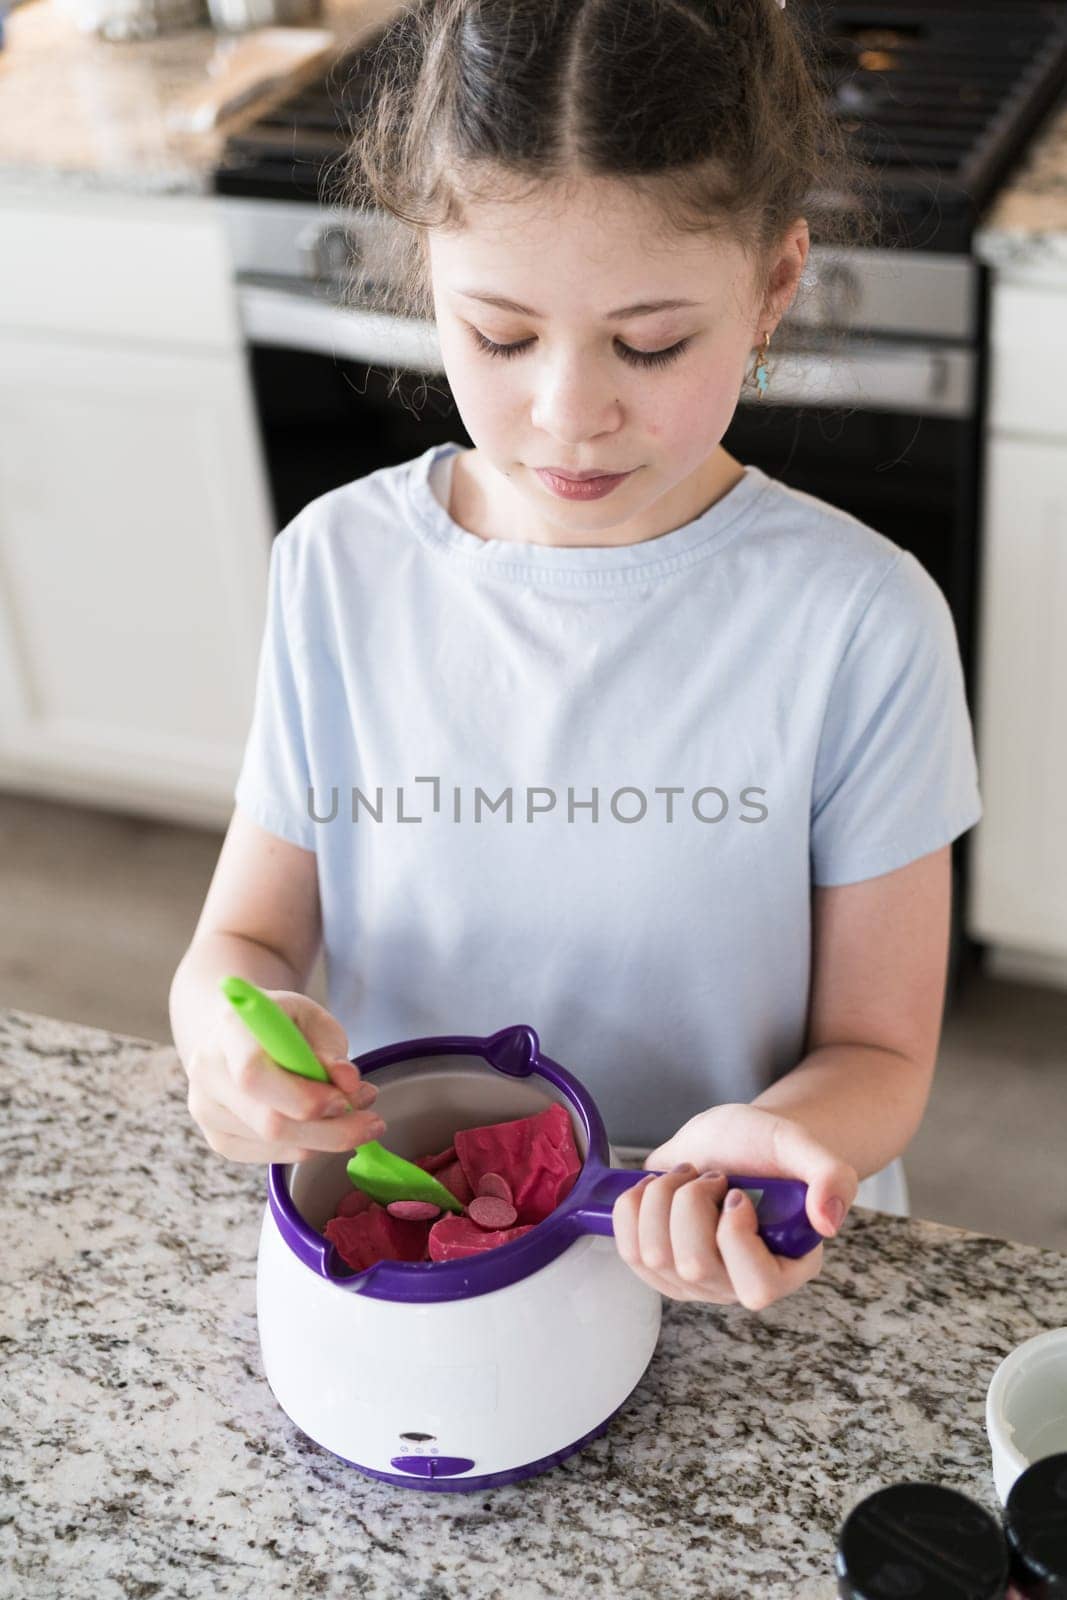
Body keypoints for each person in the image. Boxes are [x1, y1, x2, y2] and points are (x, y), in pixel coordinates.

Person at [169, 0, 982, 1314]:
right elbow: (246, 941)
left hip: (724, 1257)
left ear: (775, 283)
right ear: (425, 266)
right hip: (427, 1257)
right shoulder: (338, 568)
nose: (570, 413)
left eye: (649, 343)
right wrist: (221, 1033)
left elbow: (878, 1049)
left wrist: (789, 1139)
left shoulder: (860, 622)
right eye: (499, 335)